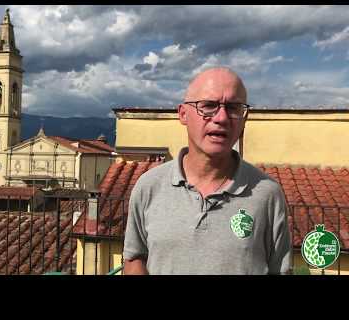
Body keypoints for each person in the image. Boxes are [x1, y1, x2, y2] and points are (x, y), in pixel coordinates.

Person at [123, 67, 292, 275]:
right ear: (183, 114)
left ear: (244, 119)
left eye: (233, 108)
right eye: (209, 106)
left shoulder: (268, 194)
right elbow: (134, 258)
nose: (221, 118)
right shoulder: (149, 186)